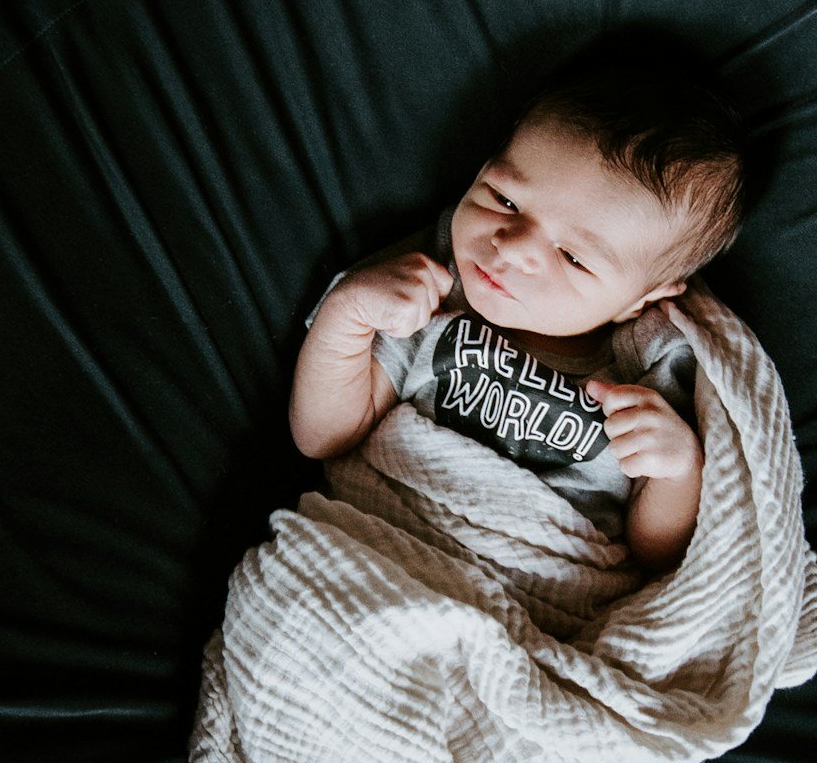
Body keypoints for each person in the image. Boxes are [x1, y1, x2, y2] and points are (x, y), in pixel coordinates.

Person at [289, 43, 749, 576]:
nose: (511, 247)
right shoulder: (428, 291)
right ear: (483, 169)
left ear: (641, 301)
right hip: (387, 551)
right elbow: (323, 437)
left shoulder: (650, 367)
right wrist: (346, 314)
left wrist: (679, 472)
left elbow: (659, 555)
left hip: (545, 589)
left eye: (574, 258)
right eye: (504, 199)